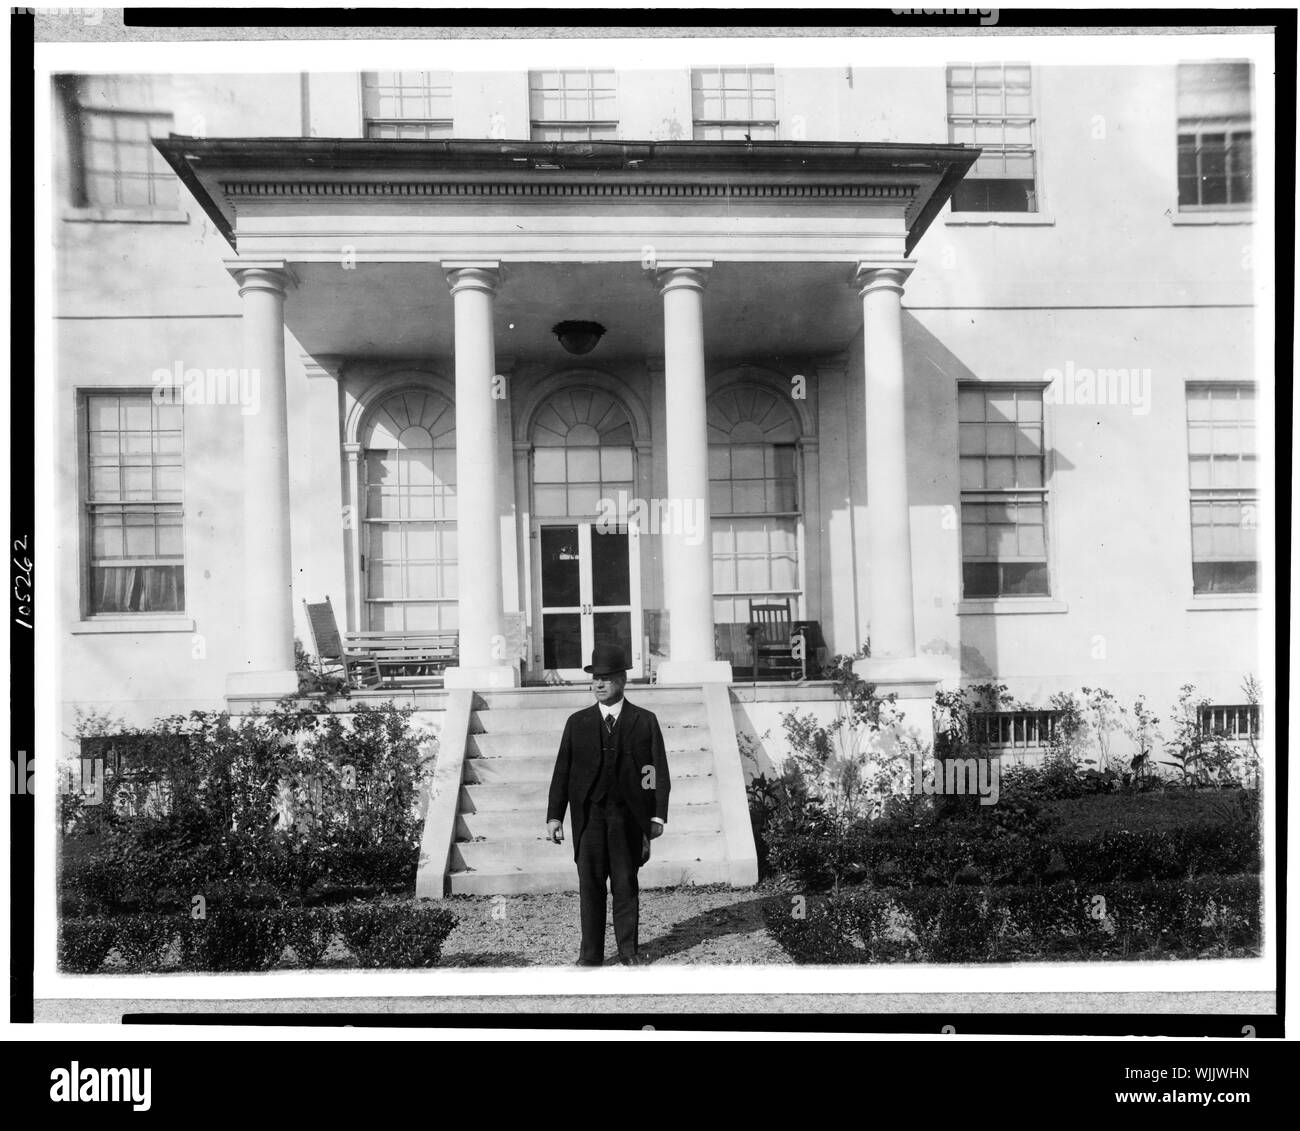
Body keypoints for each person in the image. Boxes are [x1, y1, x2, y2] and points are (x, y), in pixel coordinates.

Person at [546, 643, 670, 966]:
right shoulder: (578, 723)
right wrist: (554, 816)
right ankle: (590, 957)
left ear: (623, 680)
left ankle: (629, 952)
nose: (599, 684)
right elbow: (563, 771)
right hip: (589, 817)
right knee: (590, 886)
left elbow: (653, 771)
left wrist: (655, 814)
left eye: (607, 678)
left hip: (627, 817)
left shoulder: (644, 721)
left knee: (626, 883)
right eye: (595, 678)